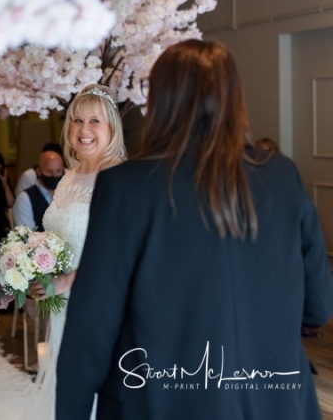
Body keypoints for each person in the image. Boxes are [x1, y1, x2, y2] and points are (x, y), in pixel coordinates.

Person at [56, 40, 333, 420]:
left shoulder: (128, 186)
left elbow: (92, 327)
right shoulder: (282, 175)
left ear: (161, 100)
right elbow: (318, 307)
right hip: (275, 400)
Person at [26, 83, 126, 420]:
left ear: (112, 127)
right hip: (62, 307)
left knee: (97, 393)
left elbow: (124, 252)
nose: (83, 130)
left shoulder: (119, 177)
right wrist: (31, 269)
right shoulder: (69, 177)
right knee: (68, 394)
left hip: (99, 304)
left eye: (94, 121)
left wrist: (69, 280)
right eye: (77, 120)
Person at [12, 150, 66, 231]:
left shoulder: (68, 193)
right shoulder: (25, 198)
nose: (54, 176)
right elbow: (27, 235)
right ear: (39, 172)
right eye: (49, 171)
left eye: (58, 171)